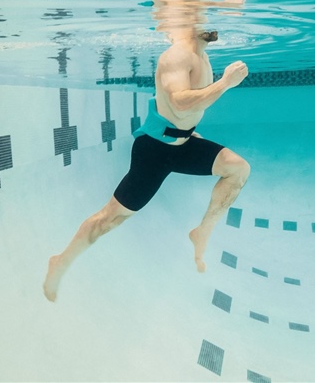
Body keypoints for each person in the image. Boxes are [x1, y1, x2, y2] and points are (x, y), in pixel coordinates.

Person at [43, 27, 250, 302]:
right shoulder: (176, 56)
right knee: (109, 220)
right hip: (155, 151)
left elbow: (172, 106)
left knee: (238, 169)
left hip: (183, 144)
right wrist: (225, 83)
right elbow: (179, 103)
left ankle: (202, 233)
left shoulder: (202, 56)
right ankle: (61, 261)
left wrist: (187, 131)